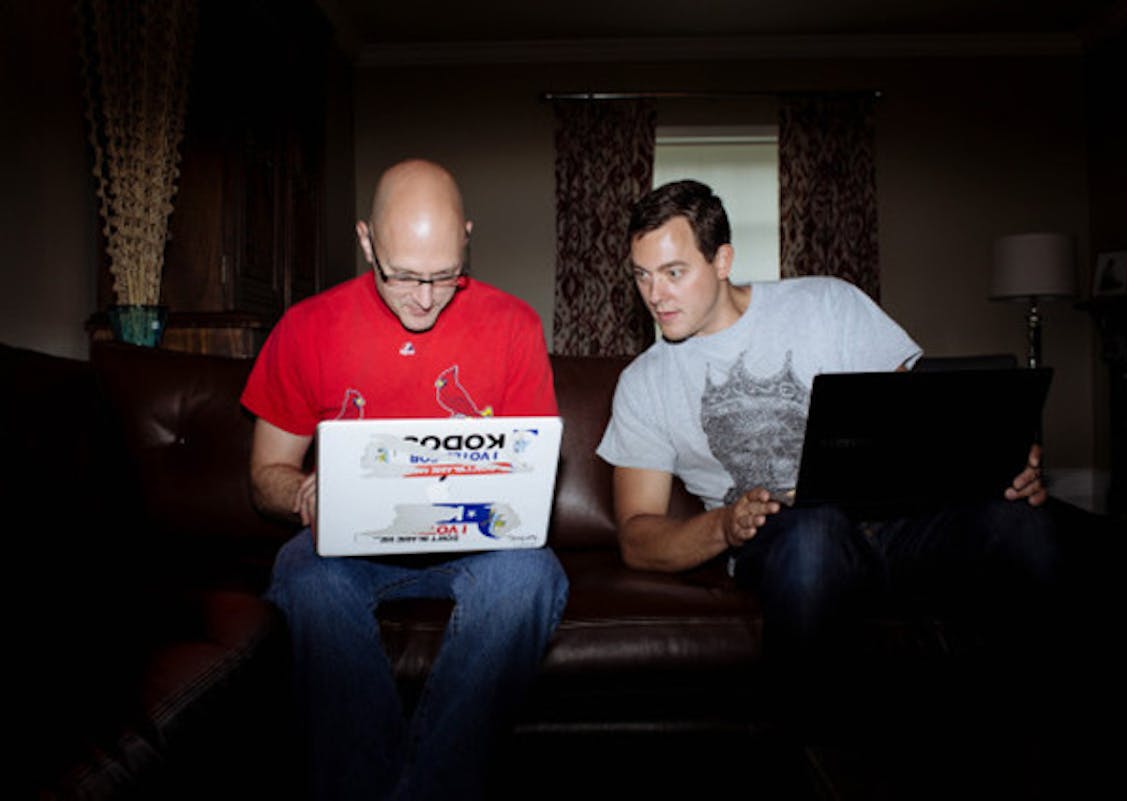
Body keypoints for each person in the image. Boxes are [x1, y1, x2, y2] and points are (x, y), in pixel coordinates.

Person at [596, 179, 1061, 732]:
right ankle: (808, 758)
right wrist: (725, 525)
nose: (656, 295)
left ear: (722, 260)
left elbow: (918, 421)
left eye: (674, 272)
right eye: (642, 276)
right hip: (790, 546)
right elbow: (637, 536)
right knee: (813, 530)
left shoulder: (825, 304)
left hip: (900, 529)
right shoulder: (644, 383)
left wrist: (994, 463)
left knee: (1021, 523)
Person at [241, 159, 568, 800]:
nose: (425, 297)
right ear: (367, 242)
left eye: (445, 275)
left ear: (468, 237)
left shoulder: (513, 325)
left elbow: (534, 463)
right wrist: (303, 491)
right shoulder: (306, 328)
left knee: (533, 577)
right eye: (403, 276)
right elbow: (264, 476)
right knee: (304, 579)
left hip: (475, 535)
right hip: (351, 545)